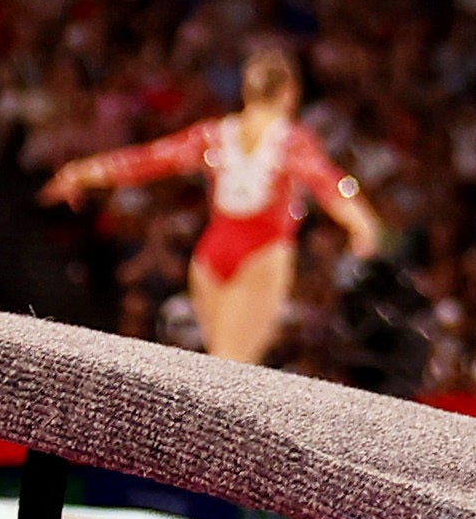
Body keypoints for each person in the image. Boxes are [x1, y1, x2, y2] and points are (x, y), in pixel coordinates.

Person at [40, 46, 387, 366]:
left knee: (221, 364)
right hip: (262, 253)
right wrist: (363, 224)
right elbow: (326, 181)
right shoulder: (290, 139)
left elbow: (148, 160)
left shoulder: (215, 134)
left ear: (246, 92)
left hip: (212, 253)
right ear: (289, 93)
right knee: (233, 370)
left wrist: (83, 172)